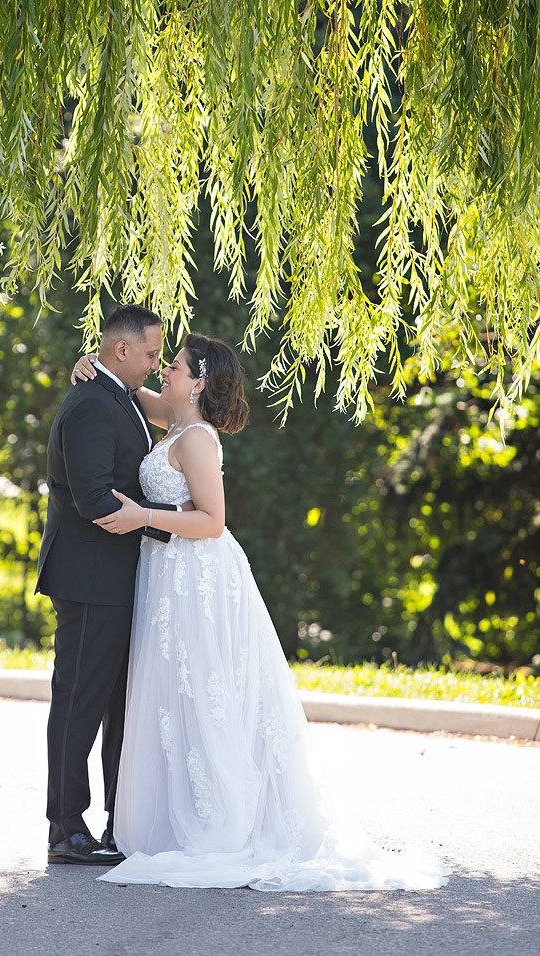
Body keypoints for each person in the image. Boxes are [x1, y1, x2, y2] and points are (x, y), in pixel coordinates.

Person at [70, 332, 449, 891]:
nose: (163, 371)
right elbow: (126, 390)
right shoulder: (172, 417)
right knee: (176, 692)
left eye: (173, 366)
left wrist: (144, 517)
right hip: (168, 575)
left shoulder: (196, 438)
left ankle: (222, 818)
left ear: (197, 382)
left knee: (204, 687)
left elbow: (212, 521)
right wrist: (93, 364)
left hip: (197, 572)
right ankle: (178, 814)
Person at [36, 304, 190, 866]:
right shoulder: (91, 406)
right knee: (80, 702)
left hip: (121, 577)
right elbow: (93, 497)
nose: (155, 364)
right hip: (89, 578)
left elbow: (179, 417)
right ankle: (65, 828)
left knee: (121, 705)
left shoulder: (118, 395)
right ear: (121, 350)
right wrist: (173, 517)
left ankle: (117, 824)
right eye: (151, 355)